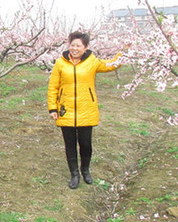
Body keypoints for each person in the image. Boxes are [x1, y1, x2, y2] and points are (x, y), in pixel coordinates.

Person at [47, 31, 123, 189]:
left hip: (86, 109)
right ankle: (74, 174)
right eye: (72, 45)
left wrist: (124, 52)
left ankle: (85, 170)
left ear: (85, 47)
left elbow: (112, 65)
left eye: (78, 46)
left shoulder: (92, 62)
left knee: (86, 144)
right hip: (65, 110)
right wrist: (53, 108)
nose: (74, 48)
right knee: (70, 145)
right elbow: (53, 86)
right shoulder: (60, 63)